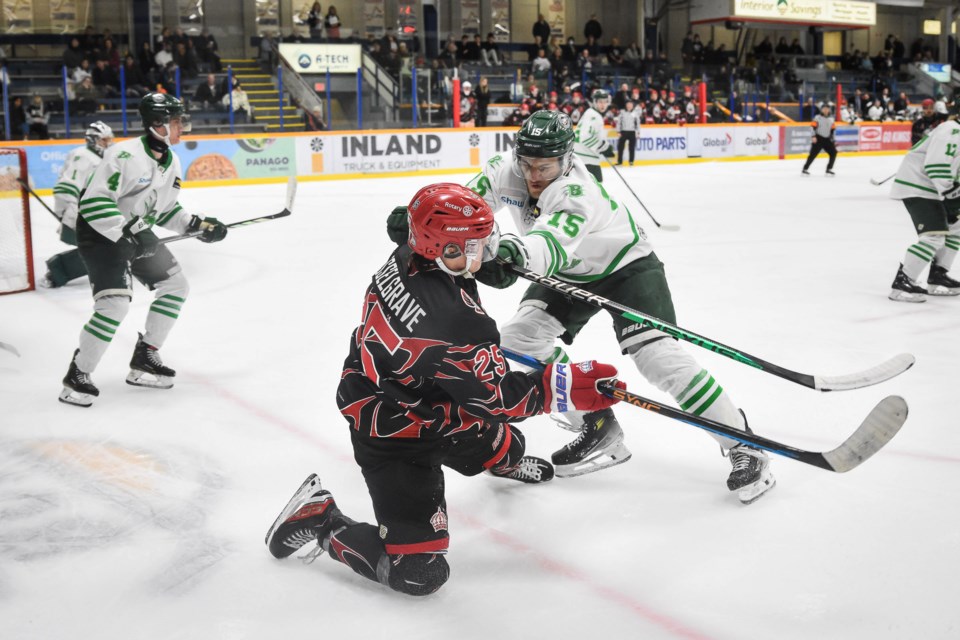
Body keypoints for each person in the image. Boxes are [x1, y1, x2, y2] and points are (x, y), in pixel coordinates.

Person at [386, 111, 776, 504]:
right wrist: (422, 222)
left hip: (626, 267)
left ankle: (745, 444)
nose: (535, 175)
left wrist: (510, 251)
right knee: (517, 342)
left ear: (568, 159)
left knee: (657, 358)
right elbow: (463, 209)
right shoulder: (504, 171)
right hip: (570, 274)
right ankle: (597, 421)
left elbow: (545, 247)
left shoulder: (577, 194)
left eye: (546, 166)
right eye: (528, 164)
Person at [265, 183, 623, 595]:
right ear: (443, 248)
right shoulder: (458, 324)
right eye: (474, 245)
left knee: (511, 447)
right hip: (394, 433)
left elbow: (430, 256)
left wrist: (474, 257)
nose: (484, 252)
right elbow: (495, 398)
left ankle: (502, 459)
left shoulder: (410, 252)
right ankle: (320, 520)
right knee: (418, 574)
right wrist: (565, 386)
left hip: (426, 394)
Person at [58, 93, 228, 407]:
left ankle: (145, 356)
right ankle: (77, 375)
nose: (182, 127)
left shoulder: (172, 160)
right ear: (157, 124)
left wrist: (198, 226)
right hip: (100, 233)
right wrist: (134, 231)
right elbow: (94, 203)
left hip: (135, 233)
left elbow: (163, 210)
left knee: (176, 286)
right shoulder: (123, 155)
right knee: (115, 305)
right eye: (176, 121)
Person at [887, 104, 960, 302]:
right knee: (934, 236)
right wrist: (952, 196)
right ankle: (903, 283)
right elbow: (936, 165)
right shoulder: (951, 129)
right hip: (919, 187)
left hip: (934, 188)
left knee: (956, 229)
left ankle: (938, 275)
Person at [42, 123, 115, 289]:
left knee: (106, 250)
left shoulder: (101, 159)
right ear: (92, 140)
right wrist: (63, 212)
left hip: (94, 215)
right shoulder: (82, 156)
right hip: (80, 216)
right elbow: (65, 187)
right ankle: (56, 272)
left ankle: (57, 270)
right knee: (103, 250)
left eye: (109, 140)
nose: (108, 144)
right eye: (104, 140)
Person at [574, 89, 614, 182]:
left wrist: (603, 146)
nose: (603, 105)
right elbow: (585, 137)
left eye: (605, 102)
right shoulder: (594, 115)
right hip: (586, 158)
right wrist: (603, 147)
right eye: (600, 102)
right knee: (596, 188)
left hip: (583, 157)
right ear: (595, 102)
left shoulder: (592, 113)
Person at [802, 103, 837, 176]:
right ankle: (805, 169)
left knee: (833, 152)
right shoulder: (817, 118)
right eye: (824, 108)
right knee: (813, 155)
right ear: (821, 110)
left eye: (827, 108)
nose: (825, 110)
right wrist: (813, 136)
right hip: (818, 138)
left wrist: (833, 139)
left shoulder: (831, 119)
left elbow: (833, 130)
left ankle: (829, 169)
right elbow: (812, 127)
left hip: (827, 139)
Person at [615, 100, 640, 166]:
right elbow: (619, 122)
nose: (629, 106)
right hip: (623, 131)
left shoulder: (635, 113)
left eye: (630, 105)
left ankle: (631, 161)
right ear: (626, 105)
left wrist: (638, 132)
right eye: (628, 104)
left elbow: (637, 123)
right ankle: (620, 161)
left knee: (631, 148)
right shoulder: (622, 112)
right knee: (620, 147)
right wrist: (618, 131)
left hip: (632, 132)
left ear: (632, 106)